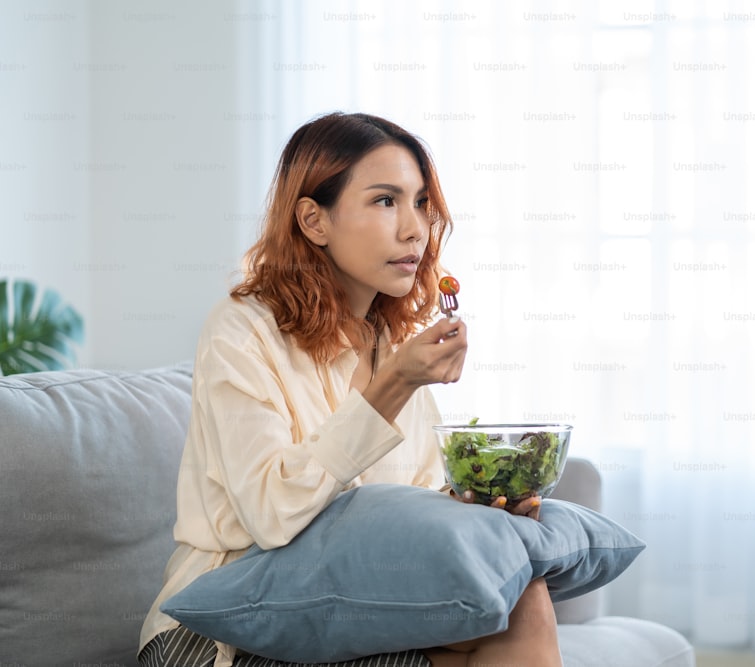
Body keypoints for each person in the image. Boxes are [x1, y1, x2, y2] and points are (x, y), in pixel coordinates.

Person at [137, 112, 563, 667]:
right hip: (220, 626)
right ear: (314, 220)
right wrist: (394, 385)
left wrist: (478, 512)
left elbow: (409, 510)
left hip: (348, 606)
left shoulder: (394, 344)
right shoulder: (242, 330)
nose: (414, 228)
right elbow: (270, 514)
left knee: (520, 596)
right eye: (385, 201)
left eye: (420, 203)